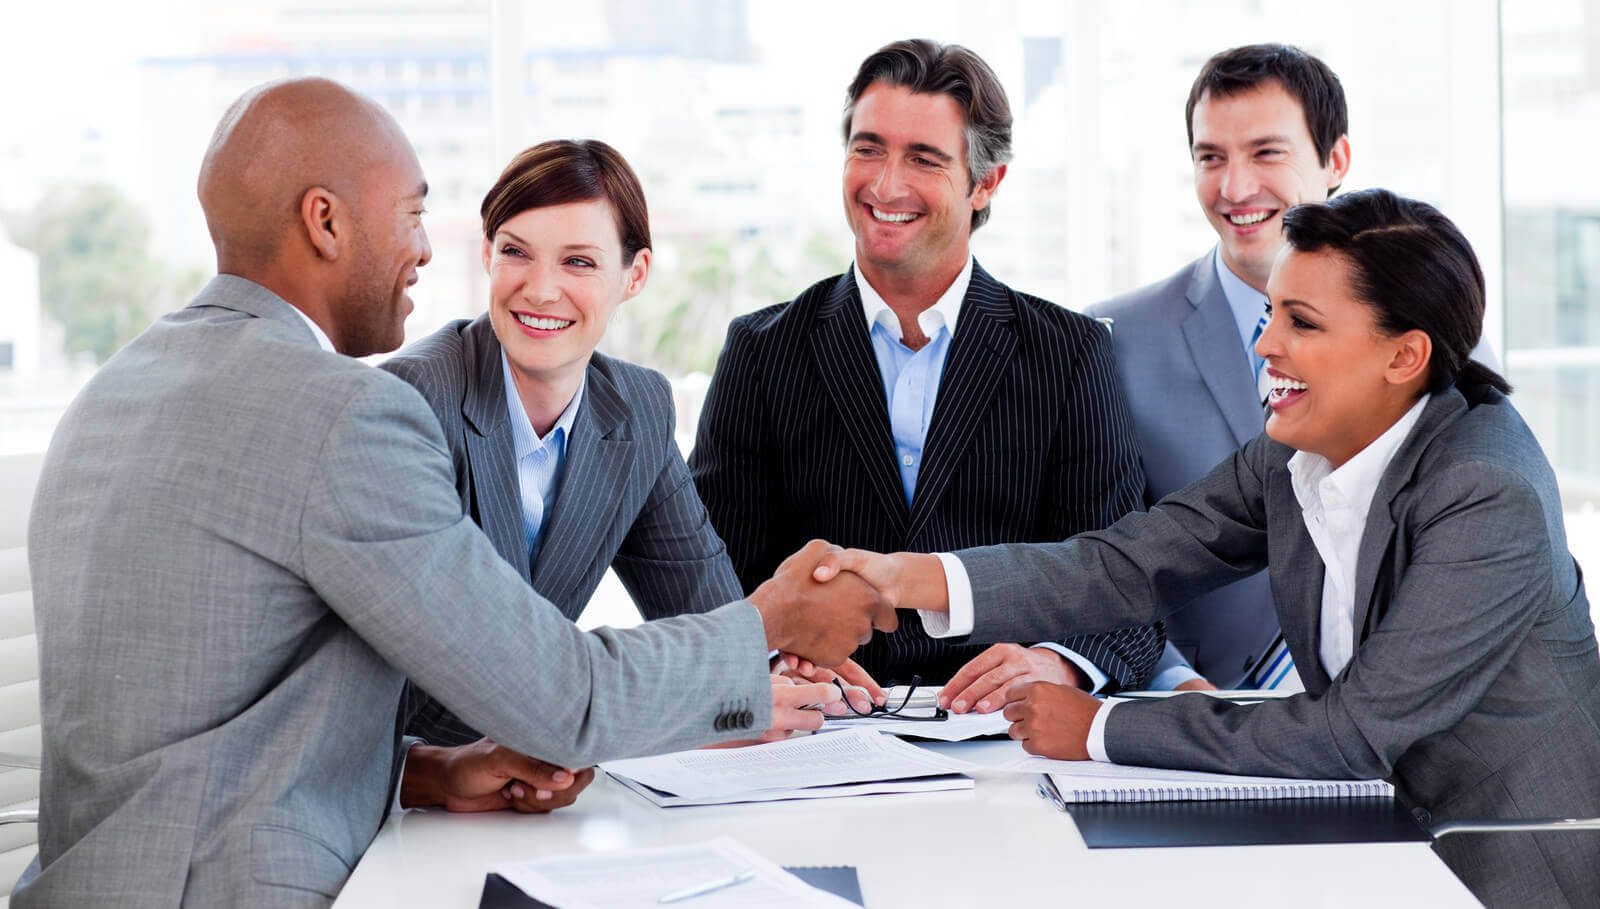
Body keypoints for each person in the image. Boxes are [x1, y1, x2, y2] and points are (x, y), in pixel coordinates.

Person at [15, 78, 891, 907]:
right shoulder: (348, 413)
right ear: (325, 222)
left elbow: (216, 707)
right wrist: (770, 620)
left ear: (633, 275)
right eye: (412, 214)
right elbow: (565, 695)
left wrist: (425, 770)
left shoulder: (118, 388)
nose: (427, 249)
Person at [820, 189, 1600, 906]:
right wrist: (903, 579)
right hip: (1374, 834)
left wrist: (1097, 727)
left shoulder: (1487, 489)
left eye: (1303, 322)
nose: (1265, 345)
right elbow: (1127, 562)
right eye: (1270, 314)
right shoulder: (1297, 449)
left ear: (1404, 356)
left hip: (1505, 862)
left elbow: (1350, 732)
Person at [690, 38, 1162, 712]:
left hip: (1002, 734)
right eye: (868, 148)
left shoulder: (1071, 353)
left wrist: (1054, 665)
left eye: (923, 159)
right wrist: (772, 663)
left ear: (985, 182)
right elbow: (710, 579)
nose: (885, 184)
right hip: (817, 730)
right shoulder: (762, 350)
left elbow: (1125, 587)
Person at [382, 139, 871, 750]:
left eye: (579, 263)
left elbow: (704, 610)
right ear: (487, 255)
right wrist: (749, 643)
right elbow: (468, 671)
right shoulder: (412, 399)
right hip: (404, 790)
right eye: (516, 253)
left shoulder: (637, 409)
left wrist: (773, 668)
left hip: (532, 782)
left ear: (633, 275)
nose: (539, 290)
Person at [1084, 43, 1352, 691]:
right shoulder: (1110, 341)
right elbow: (1096, 559)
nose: (1234, 188)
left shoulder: (1428, 323)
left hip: (1398, 725)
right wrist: (1176, 686)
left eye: (1266, 152)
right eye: (1211, 157)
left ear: (1334, 160)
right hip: (1202, 716)